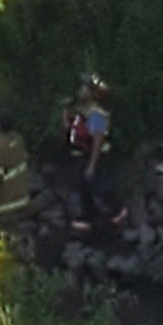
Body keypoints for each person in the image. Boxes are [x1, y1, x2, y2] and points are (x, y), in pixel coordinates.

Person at [63, 76, 119, 228]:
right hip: (80, 156)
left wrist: (92, 166)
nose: (80, 92)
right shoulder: (81, 112)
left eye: (84, 89)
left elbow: (97, 141)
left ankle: (115, 218)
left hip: (95, 158)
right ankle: (89, 221)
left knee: (101, 189)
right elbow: (70, 129)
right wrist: (66, 111)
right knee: (83, 190)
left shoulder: (96, 114)